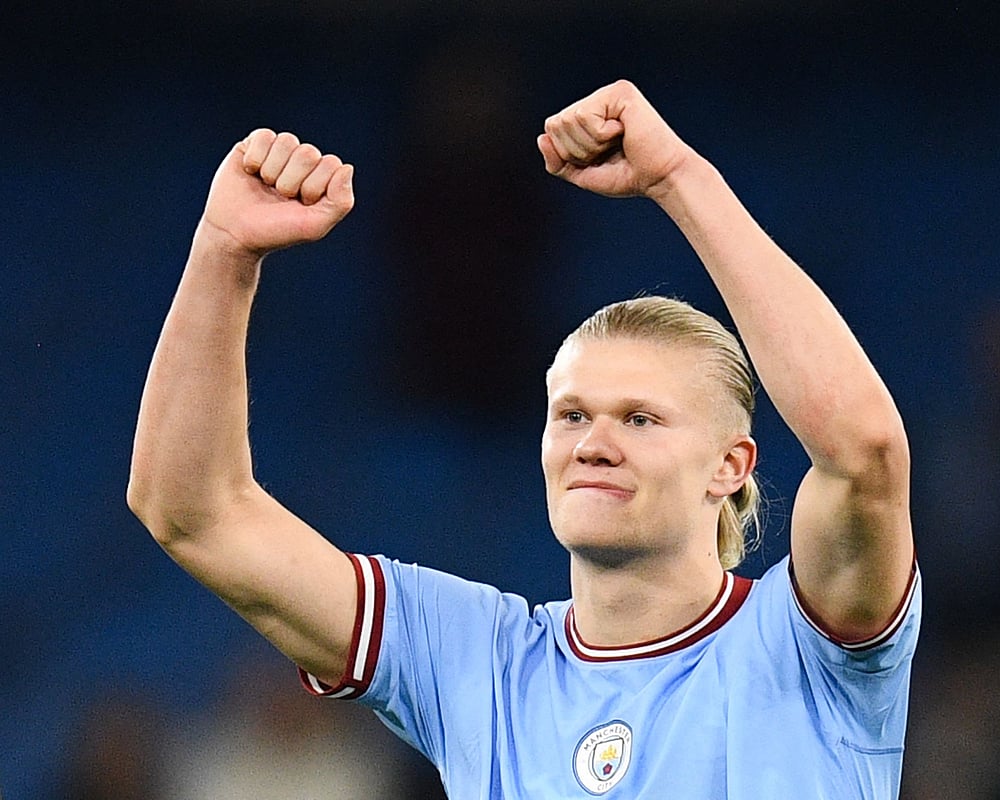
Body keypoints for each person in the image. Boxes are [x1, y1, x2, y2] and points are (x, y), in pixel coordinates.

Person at [128, 79, 919, 798]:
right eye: (572, 414)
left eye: (639, 419)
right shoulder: (472, 658)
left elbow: (864, 454)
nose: (593, 442)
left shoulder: (809, 645)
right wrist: (223, 254)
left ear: (730, 464)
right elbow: (193, 511)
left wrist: (681, 179)